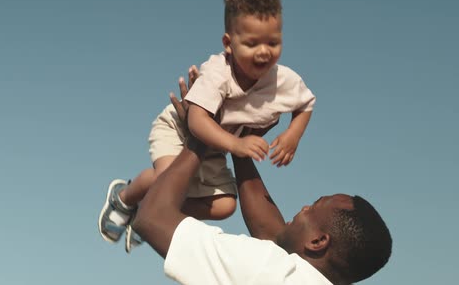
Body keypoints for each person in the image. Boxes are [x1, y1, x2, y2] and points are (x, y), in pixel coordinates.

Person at [99, 0, 316, 253]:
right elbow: (196, 120)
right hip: (179, 131)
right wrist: (237, 145)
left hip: (216, 147)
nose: (264, 51)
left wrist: (293, 134)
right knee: (167, 181)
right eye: (251, 43)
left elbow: (306, 104)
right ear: (229, 43)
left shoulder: (284, 80)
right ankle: (126, 197)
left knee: (226, 205)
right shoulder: (217, 72)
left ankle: (147, 209)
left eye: (273, 42)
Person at [131, 75, 392, 285]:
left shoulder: (266, 272)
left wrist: (201, 135)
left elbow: (152, 218)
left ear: (318, 242)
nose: (303, 208)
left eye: (312, 208)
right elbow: (273, 234)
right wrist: (240, 143)